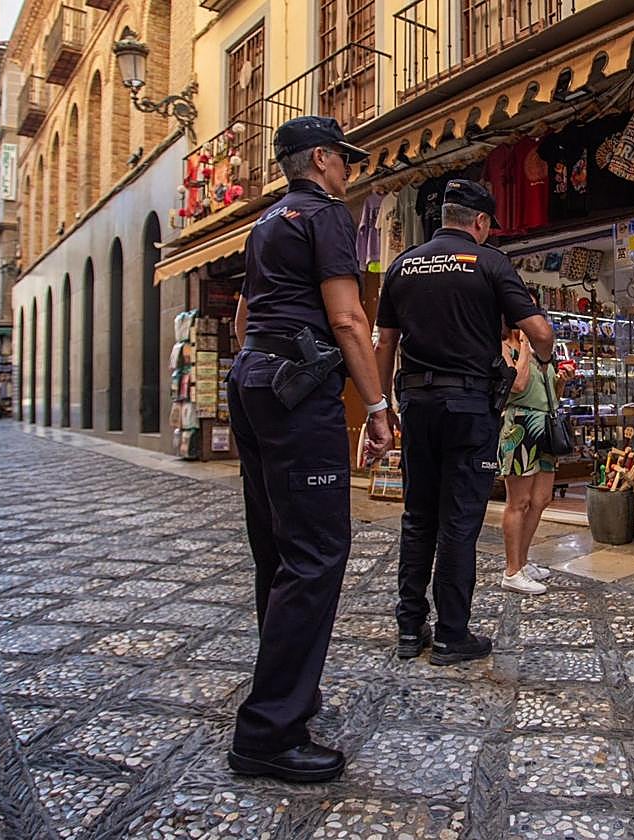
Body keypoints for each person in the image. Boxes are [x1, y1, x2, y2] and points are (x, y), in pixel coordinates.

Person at [225, 115, 392, 783]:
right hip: (296, 391)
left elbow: (242, 321)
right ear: (320, 158)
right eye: (344, 159)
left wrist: (264, 367)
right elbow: (350, 317)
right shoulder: (326, 216)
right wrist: (377, 408)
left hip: (254, 379)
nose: (349, 170)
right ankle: (268, 731)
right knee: (318, 552)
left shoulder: (265, 225)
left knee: (278, 547)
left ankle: (291, 692)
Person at [375, 179, 555, 665]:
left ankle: (411, 628)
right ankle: (453, 633)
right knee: (459, 521)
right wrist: (540, 353)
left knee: (418, 516)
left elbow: (385, 343)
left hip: (416, 402)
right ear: (479, 223)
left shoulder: (403, 263)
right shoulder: (490, 262)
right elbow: (539, 331)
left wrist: (380, 407)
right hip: (470, 407)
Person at [497, 320, 573, 595]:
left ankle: (523, 561)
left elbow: (552, 394)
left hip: (545, 425)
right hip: (519, 423)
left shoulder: (543, 353)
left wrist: (561, 380)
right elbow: (517, 384)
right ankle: (511, 570)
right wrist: (528, 346)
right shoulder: (504, 346)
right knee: (519, 501)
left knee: (541, 499)